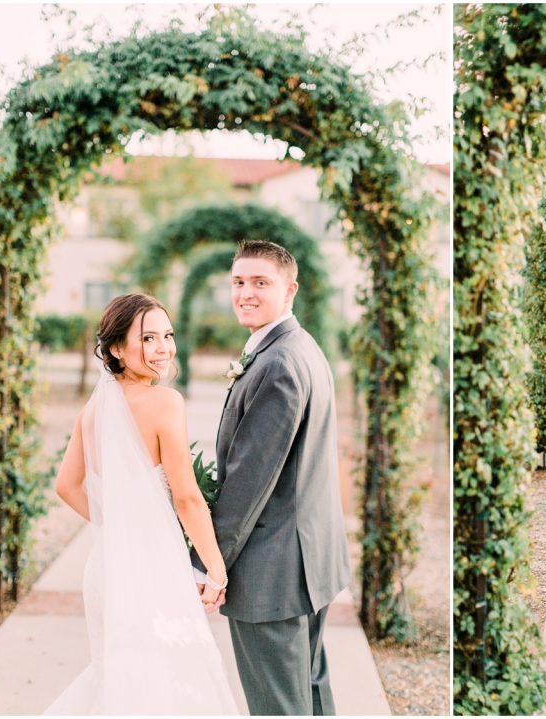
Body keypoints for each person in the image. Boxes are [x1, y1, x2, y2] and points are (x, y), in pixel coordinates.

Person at [47, 293, 237, 714]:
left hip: (106, 569)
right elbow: (187, 498)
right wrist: (216, 570)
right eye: (147, 338)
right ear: (116, 349)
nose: (163, 348)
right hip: (151, 573)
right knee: (169, 687)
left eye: (167, 336)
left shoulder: (94, 408)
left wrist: (123, 525)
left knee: (118, 683)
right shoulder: (165, 402)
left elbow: (66, 486)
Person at [194, 240, 350, 715]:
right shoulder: (298, 346)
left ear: (289, 291)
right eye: (238, 282)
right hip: (309, 563)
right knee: (309, 695)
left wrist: (208, 563)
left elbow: (248, 482)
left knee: (279, 708)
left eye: (261, 282)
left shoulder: (278, 363)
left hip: (273, 573)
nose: (245, 293)